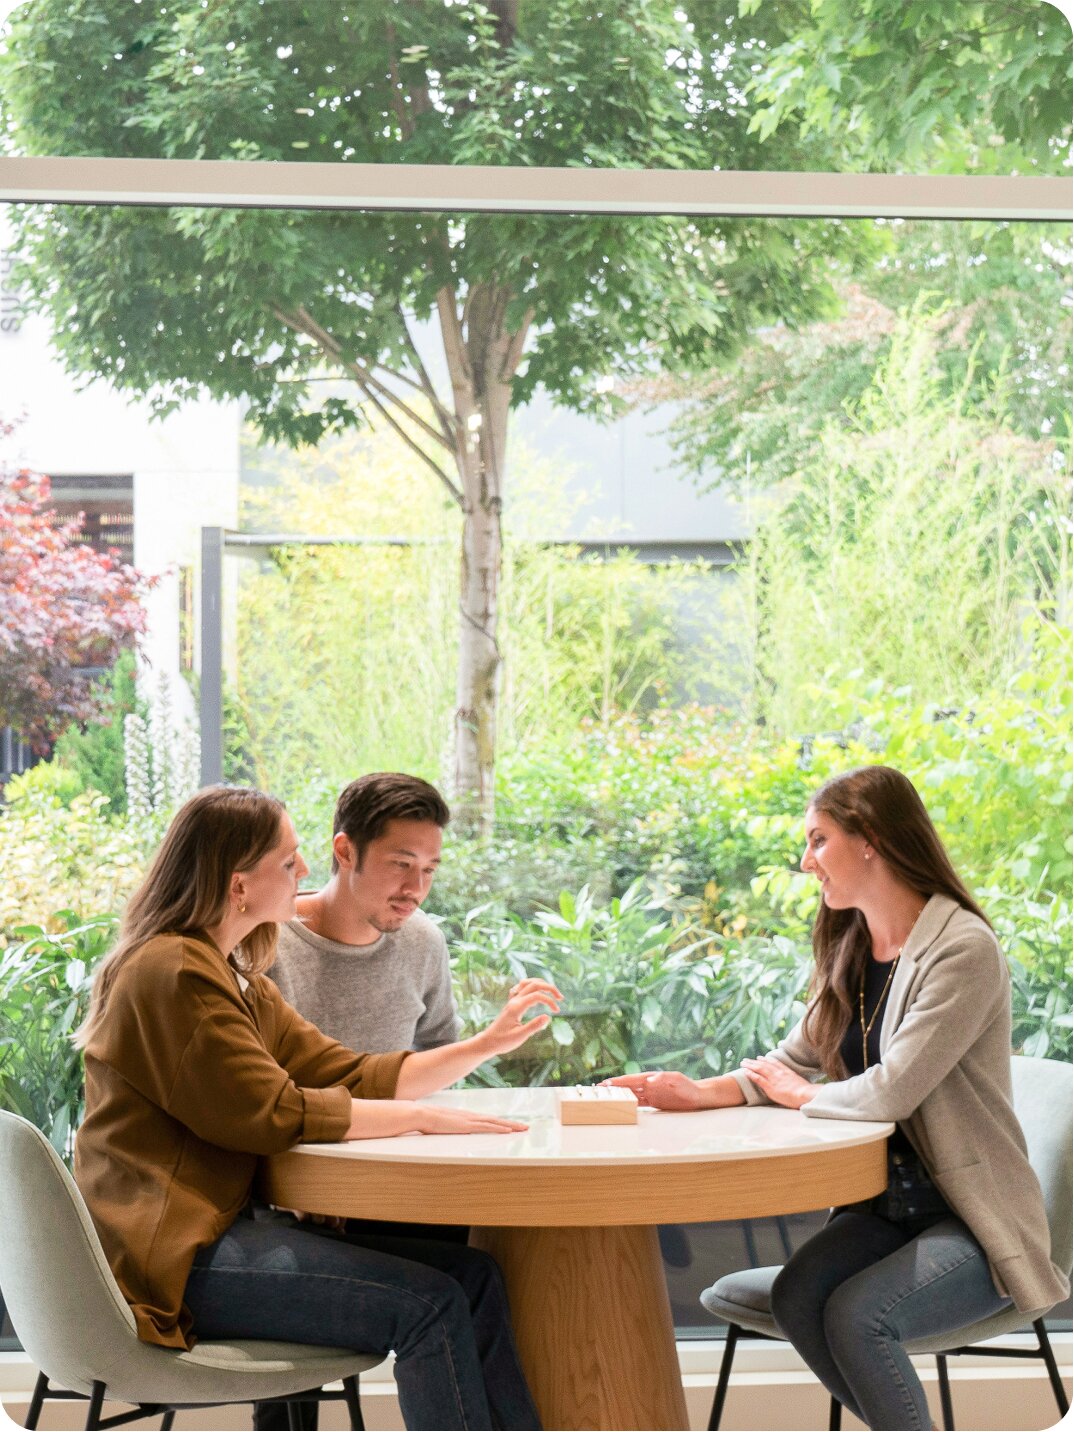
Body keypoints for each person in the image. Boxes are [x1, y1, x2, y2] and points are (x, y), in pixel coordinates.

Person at [74, 785, 559, 1431]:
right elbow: (268, 1113)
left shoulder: (232, 973)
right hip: (168, 1260)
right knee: (432, 1302)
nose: (303, 872)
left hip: (212, 1236)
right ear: (238, 884)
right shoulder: (173, 972)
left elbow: (350, 1072)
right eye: (288, 860)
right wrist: (420, 1116)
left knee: (474, 1277)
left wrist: (488, 1042)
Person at [606, 765, 1068, 1432]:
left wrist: (798, 1099)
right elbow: (794, 1061)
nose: (806, 860)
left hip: (971, 1216)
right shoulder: (853, 943)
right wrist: (701, 1093)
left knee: (859, 1316)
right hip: (886, 1207)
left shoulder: (962, 949)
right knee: (800, 1297)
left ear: (871, 839)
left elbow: (894, 1088)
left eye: (819, 840)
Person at [258, 773, 463, 1431]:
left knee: (487, 1267)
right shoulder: (266, 943)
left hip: (393, 1190)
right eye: (401, 865)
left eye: (429, 869)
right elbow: (247, 1096)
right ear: (344, 852)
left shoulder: (424, 943)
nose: (416, 888)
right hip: (285, 1189)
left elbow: (438, 1064)